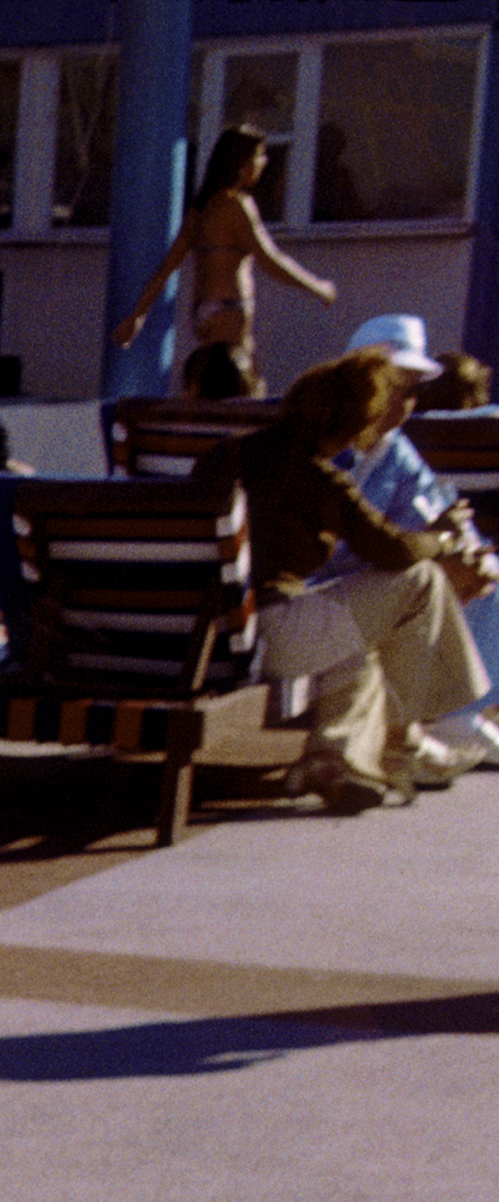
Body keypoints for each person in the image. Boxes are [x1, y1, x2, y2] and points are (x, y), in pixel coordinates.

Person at [191, 347, 488, 808]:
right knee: (423, 580)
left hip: (201, 636)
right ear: (349, 424)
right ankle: (410, 737)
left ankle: (331, 762)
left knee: (356, 647)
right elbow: (395, 551)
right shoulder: (321, 479)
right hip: (266, 636)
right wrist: (444, 537)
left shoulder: (225, 455)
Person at [339, 319, 499, 761]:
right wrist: (437, 547)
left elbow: (430, 512)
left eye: (413, 390)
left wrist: (463, 551)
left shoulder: (395, 449)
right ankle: (444, 720)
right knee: (428, 579)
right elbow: (335, 548)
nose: (406, 402)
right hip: (318, 593)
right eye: (396, 386)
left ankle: (458, 714)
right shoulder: (324, 442)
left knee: (485, 573)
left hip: (373, 580)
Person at [115, 128, 329, 401]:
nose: (264, 163)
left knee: (213, 386)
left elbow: (168, 266)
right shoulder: (237, 205)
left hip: (203, 314)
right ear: (242, 163)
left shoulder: (201, 208)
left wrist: (137, 315)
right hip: (230, 310)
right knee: (244, 391)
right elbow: (270, 260)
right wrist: (317, 286)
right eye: (260, 156)